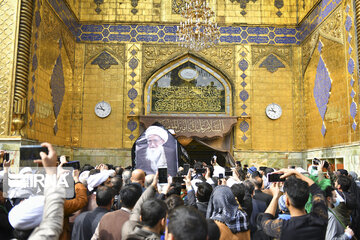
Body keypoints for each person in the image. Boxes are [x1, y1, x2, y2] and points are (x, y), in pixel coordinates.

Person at [260, 168, 328, 240]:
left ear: (287, 201)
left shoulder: (283, 227)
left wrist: (275, 197)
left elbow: (265, 221)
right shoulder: (319, 218)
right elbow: (317, 191)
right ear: (307, 198)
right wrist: (297, 174)